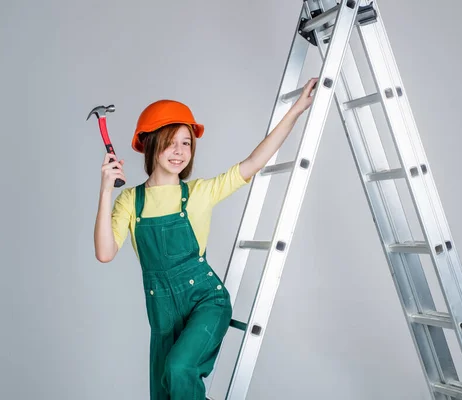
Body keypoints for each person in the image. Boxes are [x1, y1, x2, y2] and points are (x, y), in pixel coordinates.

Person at [93, 77, 318, 399]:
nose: (179, 151)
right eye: (170, 141)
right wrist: (105, 189)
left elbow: (254, 161)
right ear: (151, 144)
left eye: (186, 142)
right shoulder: (130, 201)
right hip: (162, 315)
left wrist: (296, 110)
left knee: (180, 369)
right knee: (165, 393)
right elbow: (105, 252)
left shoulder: (199, 192)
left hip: (205, 302)